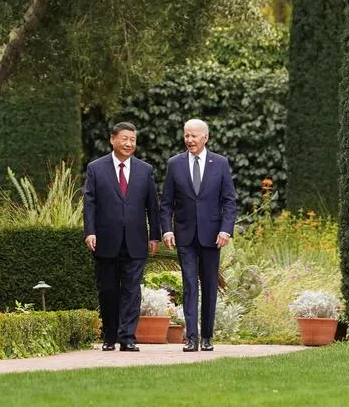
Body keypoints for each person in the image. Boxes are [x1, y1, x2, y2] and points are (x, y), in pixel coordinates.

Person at [160, 118, 237, 352]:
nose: (189, 140)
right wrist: (167, 229)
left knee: (210, 287)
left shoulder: (220, 163)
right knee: (189, 286)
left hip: (213, 236)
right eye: (186, 135)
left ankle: (207, 337)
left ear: (206, 137)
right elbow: (166, 203)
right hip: (184, 236)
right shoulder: (175, 164)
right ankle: (191, 338)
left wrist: (226, 229)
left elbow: (229, 201)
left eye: (194, 136)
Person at [83, 121, 161, 351]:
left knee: (131, 290)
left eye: (133, 140)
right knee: (108, 290)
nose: (129, 143)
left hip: (136, 240)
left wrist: (154, 236)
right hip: (105, 240)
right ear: (113, 139)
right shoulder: (96, 168)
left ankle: (127, 338)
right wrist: (90, 232)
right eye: (124, 138)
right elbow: (89, 203)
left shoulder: (145, 170)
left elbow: (152, 206)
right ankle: (109, 337)